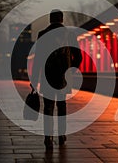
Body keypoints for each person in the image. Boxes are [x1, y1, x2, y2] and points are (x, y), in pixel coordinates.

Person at [31, 9, 82, 150]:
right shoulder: (69, 34)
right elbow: (78, 57)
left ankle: (48, 138)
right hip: (63, 76)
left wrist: (34, 79)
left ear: (50, 20)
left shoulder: (42, 34)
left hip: (47, 75)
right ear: (62, 19)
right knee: (62, 105)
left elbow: (38, 59)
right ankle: (61, 135)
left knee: (48, 107)